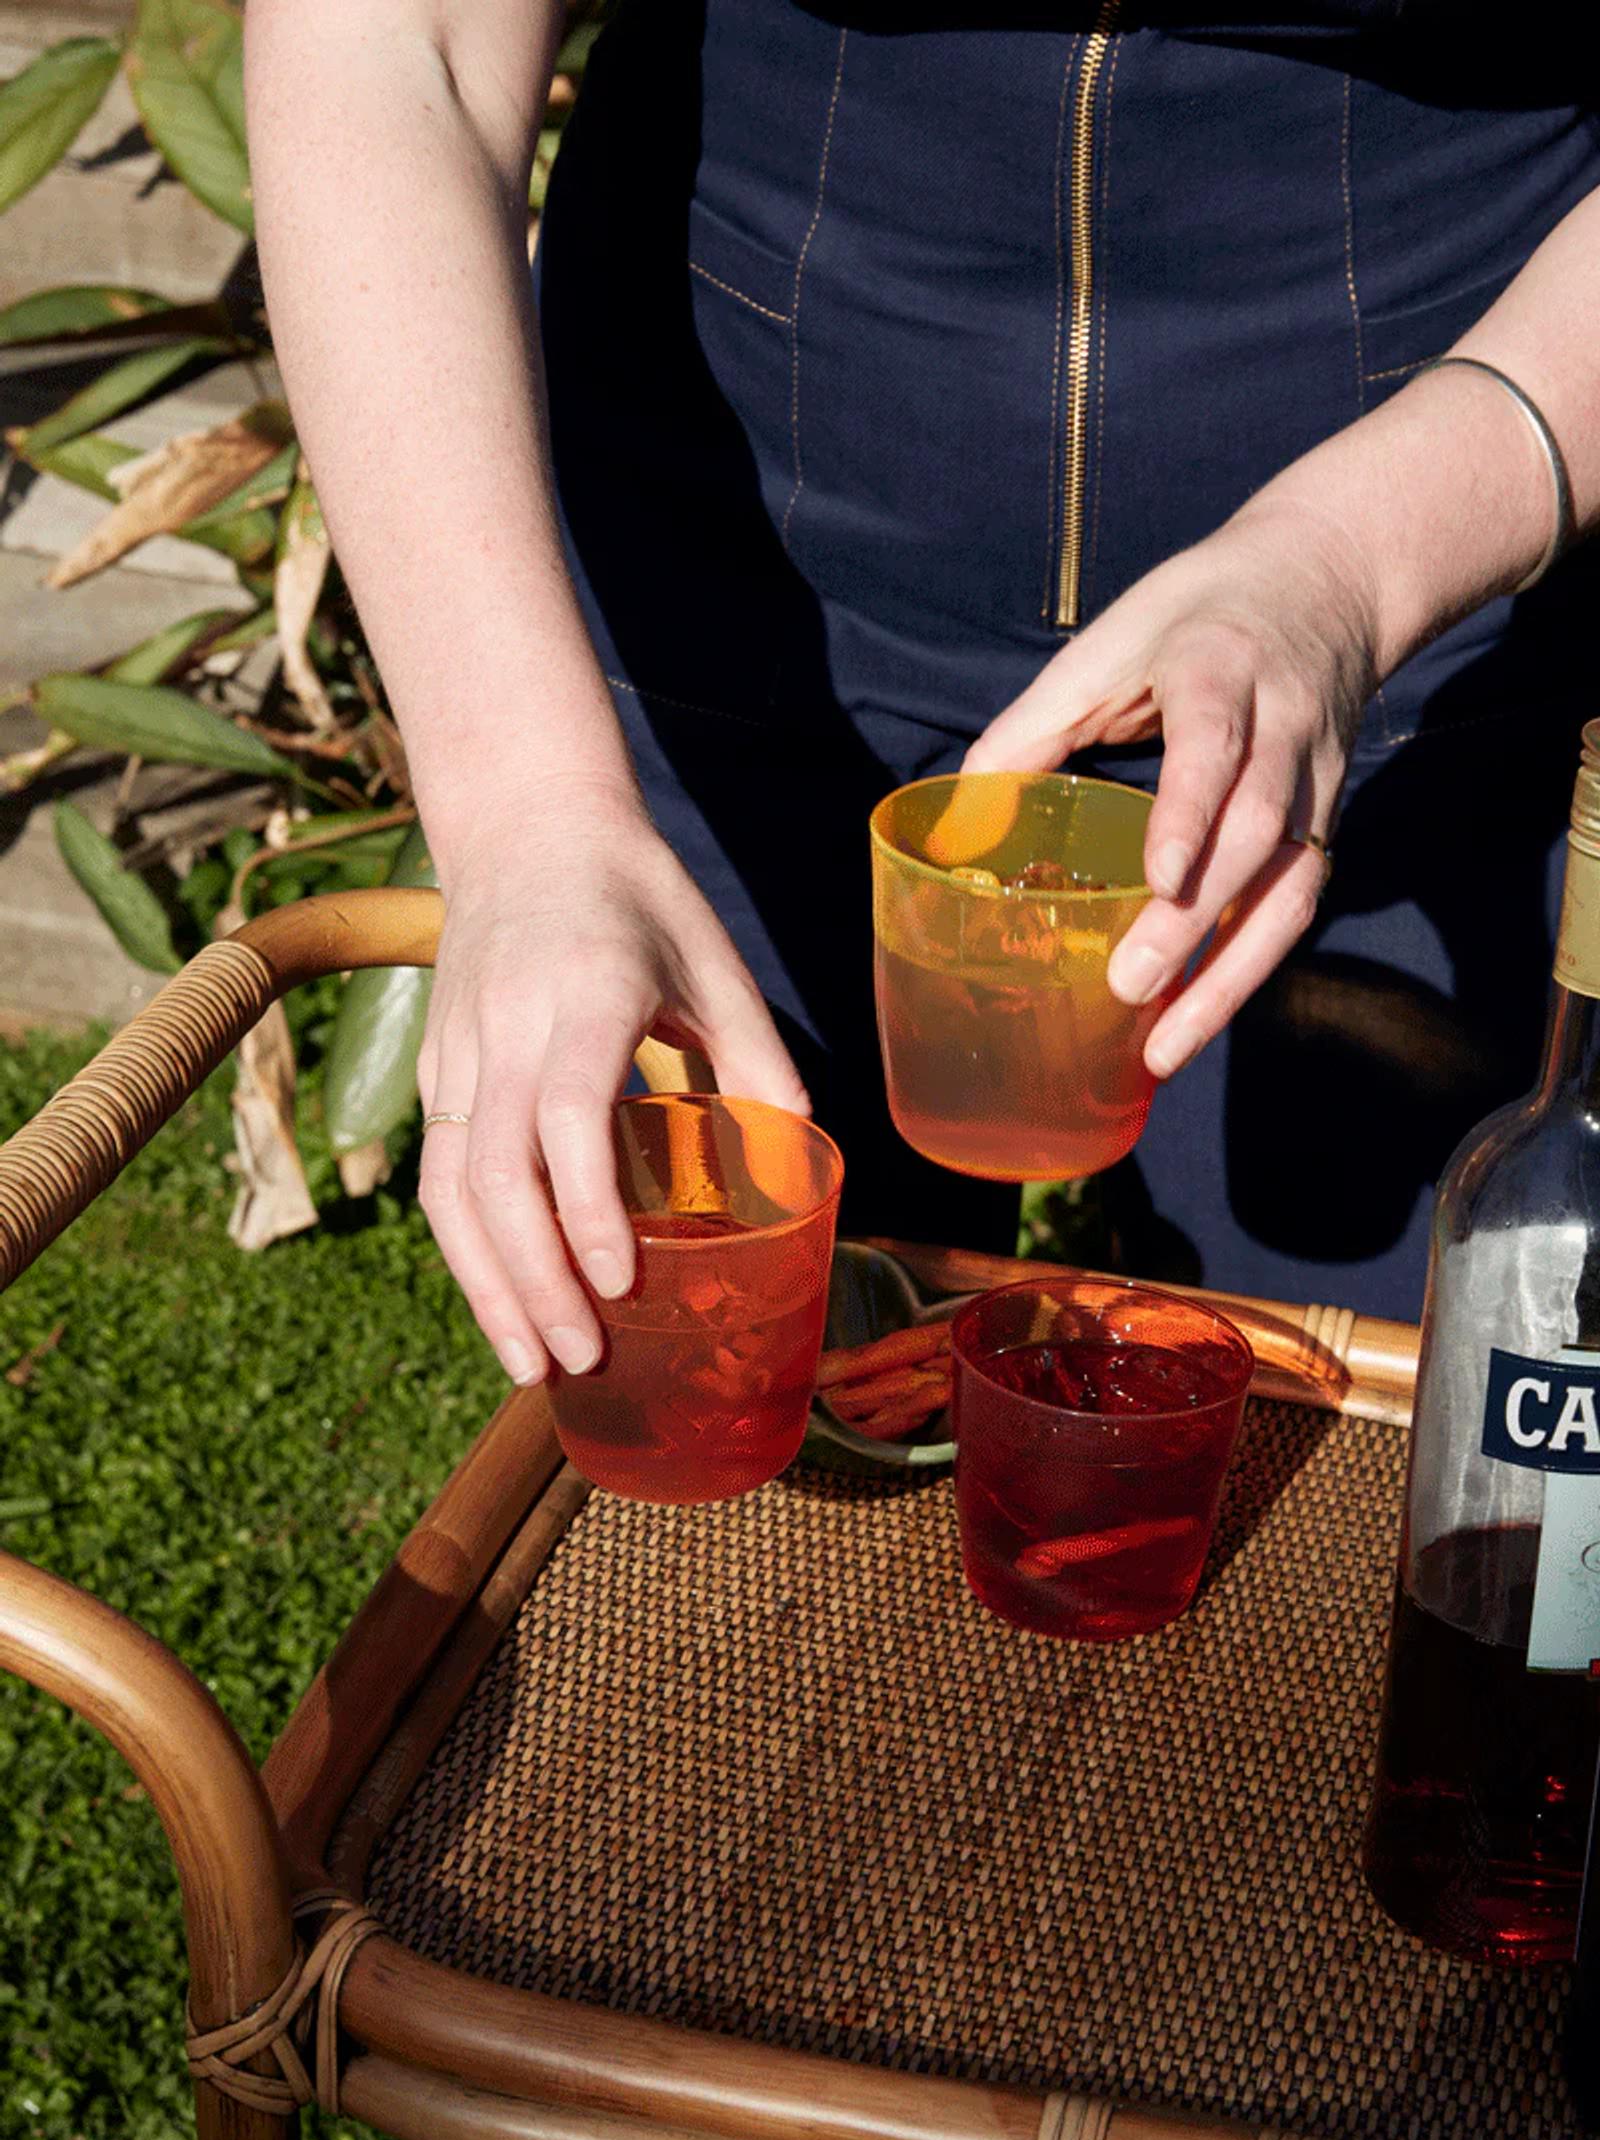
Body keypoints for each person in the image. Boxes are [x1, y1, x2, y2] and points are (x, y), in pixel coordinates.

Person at [244, 0, 1600, 1374]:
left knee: (1379, 1443)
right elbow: (388, 34)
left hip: (1424, 640)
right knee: (741, 1406)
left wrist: (1356, 562)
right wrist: (529, 808)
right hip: (730, 619)